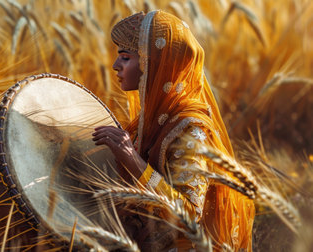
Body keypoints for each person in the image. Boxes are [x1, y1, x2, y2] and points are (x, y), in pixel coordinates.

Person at [92, 10, 255, 251]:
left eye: (126, 58)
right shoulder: (153, 116)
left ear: (155, 65)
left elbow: (189, 216)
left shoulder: (189, 129)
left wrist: (132, 160)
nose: (116, 66)